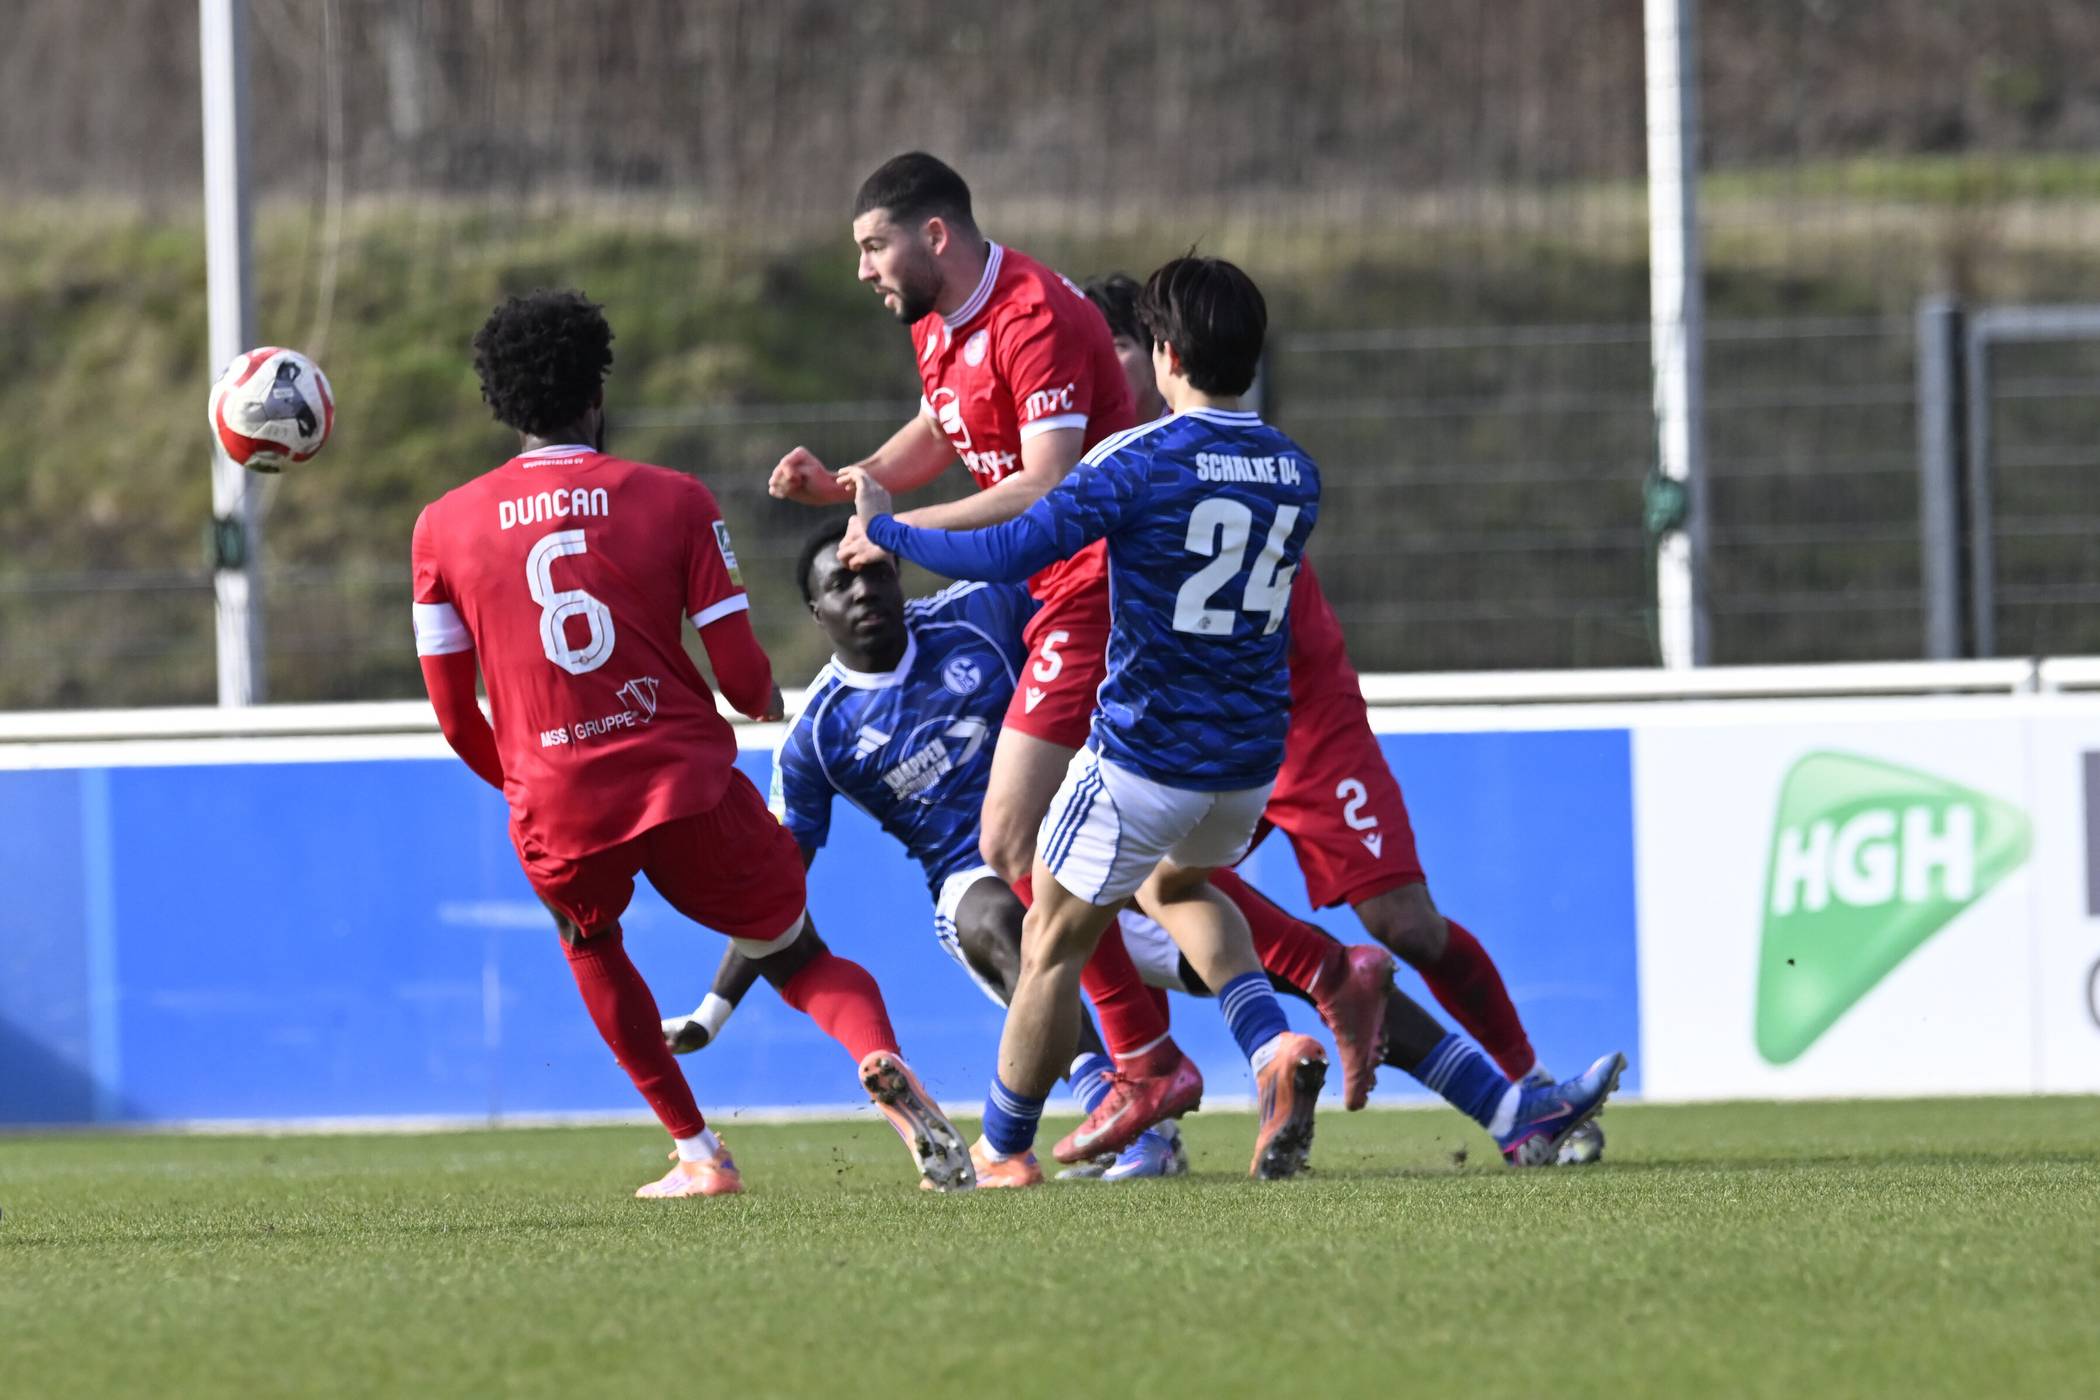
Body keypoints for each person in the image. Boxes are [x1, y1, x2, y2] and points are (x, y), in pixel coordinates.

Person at [670, 519, 1629, 1177]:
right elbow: (774, 883)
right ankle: (1118, 1105)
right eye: (842, 581)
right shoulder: (819, 735)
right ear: (816, 611)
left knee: (1323, 967)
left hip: (1096, 847)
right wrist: (716, 1005)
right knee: (1001, 905)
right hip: (985, 889)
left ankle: (1511, 1114)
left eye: (877, 568)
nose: (866, 587)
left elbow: (1081, 591)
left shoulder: (976, 613)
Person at [412, 289, 972, 1198]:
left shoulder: (441, 525)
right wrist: (753, 701)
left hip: (555, 798)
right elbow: (746, 680)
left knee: (592, 947)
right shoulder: (673, 498)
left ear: (499, 404)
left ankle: (699, 1153)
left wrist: (523, 778)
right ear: (597, 392)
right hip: (686, 782)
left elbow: (454, 715)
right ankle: (876, 1059)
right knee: (796, 955)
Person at [1085, 274, 1606, 1166]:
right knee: (1125, 880)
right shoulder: (1091, 462)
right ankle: (1162, 1118)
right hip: (1192, 729)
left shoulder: (1207, 449)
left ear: (1162, 355)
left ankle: (1525, 1087)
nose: (1098, 369)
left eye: (1115, 349)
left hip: (1296, 715)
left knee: (1404, 926)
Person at [765, 152, 1217, 1161]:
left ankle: (1152, 1062)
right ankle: (1190, 1048)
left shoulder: (1034, 314)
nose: (862, 270)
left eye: (873, 246)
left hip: (1108, 587)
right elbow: (944, 424)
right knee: (1084, 853)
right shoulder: (941, 324)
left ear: (936, 236)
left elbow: (1048, 484)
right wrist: (856, 482)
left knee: (1029, 842)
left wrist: (899, 532)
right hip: (1056, 593)